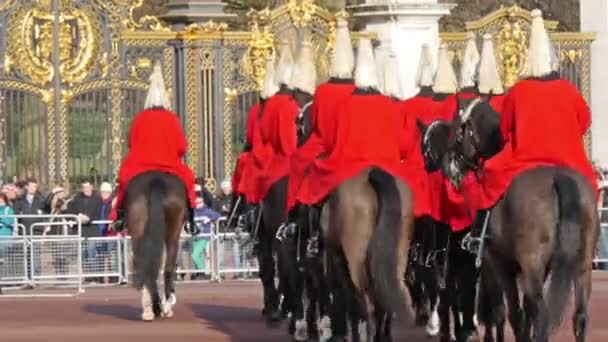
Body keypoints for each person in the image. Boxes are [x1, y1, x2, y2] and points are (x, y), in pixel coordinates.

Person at [477, 9, 597, 217]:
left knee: (490, 172)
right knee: (589, 185)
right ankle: (593, 244)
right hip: (568, 159)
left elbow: (505, 131)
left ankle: (481, 232)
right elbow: (584, 122)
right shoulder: (567, 88)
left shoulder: (518, 91)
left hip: (525, 160)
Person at [295, 38, 405, 210]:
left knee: (311, 179)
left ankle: (301, 225)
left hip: (349, 163)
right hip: (387, 164)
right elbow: (400, 141)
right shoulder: (389, 104)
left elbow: (330, 136)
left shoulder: (343, 104)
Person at [110, 62, 198, 233]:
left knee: (124, 181)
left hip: (139, 166)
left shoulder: (139, 118)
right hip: (169, 166)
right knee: (188, 180)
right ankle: (191, 220)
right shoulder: (172, 118)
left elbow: (131, 143)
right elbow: (181, 147)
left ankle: (120, 216)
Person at [285, 19, 355, 229]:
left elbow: (317, 125)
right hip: (355, 146)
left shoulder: (323, 91)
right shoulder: (357, 90)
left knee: (298, 162)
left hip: (327, 145)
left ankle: (294, 218)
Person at [191, 196, 221, 279]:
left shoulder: (207, 211)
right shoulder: (192, 212)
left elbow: (218, 215)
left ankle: (202, 272)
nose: (198, 205)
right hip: (195, 237)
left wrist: (210, 219)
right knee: (198, 256)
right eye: (196, 203)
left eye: (200, 202)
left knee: (195, 255)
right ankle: (200, 273)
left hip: (204, 236)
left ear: (203, 202)